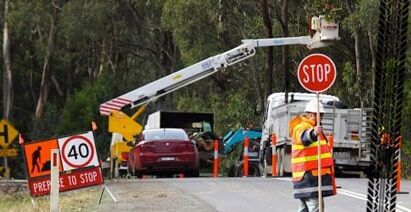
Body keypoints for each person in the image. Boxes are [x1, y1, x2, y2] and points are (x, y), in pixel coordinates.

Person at [290, 99, 335, 212]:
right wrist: (313, 133)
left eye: (321, 115)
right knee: (315, 208)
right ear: (309, 114)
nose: (320, 117)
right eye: (317, 114)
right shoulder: (301, 126)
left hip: (309, 179)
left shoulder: (314, 128)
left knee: (304, 209)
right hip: (309, 178)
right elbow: (304, 137)